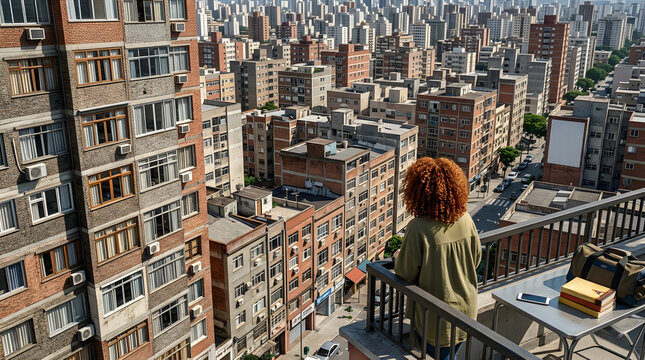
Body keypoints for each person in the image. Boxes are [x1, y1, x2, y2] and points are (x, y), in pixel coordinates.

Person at [394, 157, 482, 360]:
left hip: (435, 319)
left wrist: (399, 256)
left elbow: (405, 272)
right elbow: (476, 259)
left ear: (417, 192)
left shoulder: (419, 227)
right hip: (466, 312)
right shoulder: (465, 219)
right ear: (456, 186)